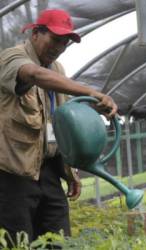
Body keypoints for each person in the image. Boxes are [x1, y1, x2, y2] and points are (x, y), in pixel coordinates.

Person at [0, 9, 118, 244]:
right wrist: (90, 91)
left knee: (59, 239)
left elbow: (56, 122)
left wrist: (68, 172)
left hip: (47, 172)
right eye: (55, 39)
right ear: (35, 34)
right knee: (19, 242)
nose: (59, 47)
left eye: (65, 43)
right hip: (13, 174)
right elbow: (33, 75)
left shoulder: (57, 70)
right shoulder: (11, 58)